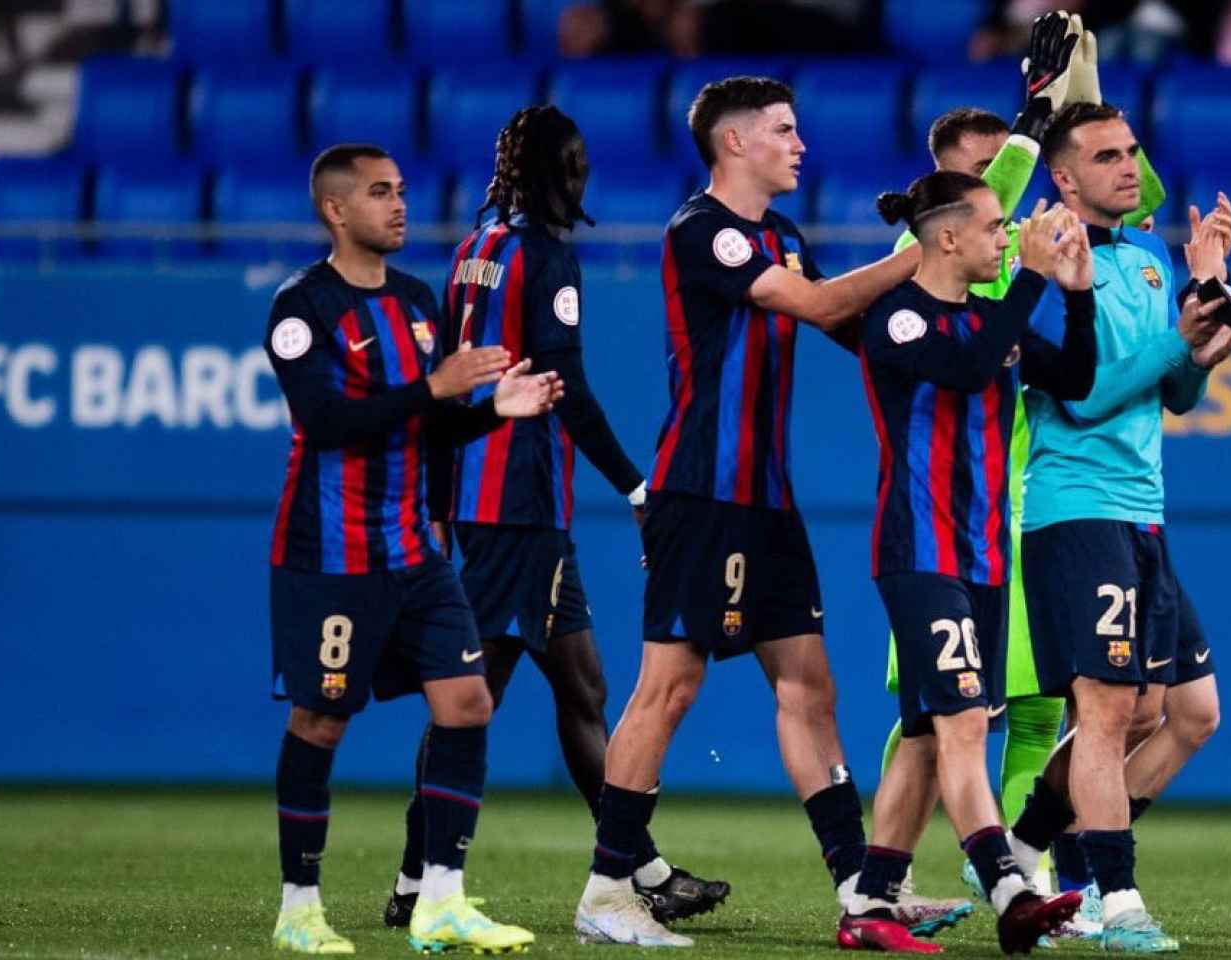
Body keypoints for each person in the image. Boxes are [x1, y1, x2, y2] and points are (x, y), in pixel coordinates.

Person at [571, 75, 922, 948]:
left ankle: (860, 889)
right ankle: (607, 889)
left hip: (768, 501)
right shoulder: (703, 232)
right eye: (784, 130)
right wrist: (927, 246)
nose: (801, 144)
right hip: (700, 494)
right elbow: (818, 303)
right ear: (735, 143)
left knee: (809, 689)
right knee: (670, 687)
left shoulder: (784, 234)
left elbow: (850, 325)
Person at [383, 105, 729, 933]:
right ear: (550, 172)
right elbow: (563, 390)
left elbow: (447, 387)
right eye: (572, 164)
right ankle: (415, 882)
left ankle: (639, 865)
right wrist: (638, 488)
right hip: (520, 504)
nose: (582, 178)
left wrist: (438, 502)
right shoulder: (544, 255)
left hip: (488, 501)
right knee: (473, 697)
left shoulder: (474, 253)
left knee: (583, 685)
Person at [871, 13, 1170, 919]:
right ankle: (998, 877)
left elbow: (1070, 372)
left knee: (1015, 711)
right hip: (930, 537)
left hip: (1001, 529)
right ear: (948, 211)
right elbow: (971, 355)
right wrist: (1039, 120)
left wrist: (1076, 99)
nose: (1017, 204)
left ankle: (892, 887)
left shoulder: (1001, 298)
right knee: (943, 719)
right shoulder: (908, 286)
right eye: (997, 186)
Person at [265, 143, 562, 955]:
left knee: (468, 703)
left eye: (400, 190)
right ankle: (299, 907)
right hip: (330, 554)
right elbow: (325, 423)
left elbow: (426, 425)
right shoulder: (303, 309)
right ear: (336, 209)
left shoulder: (418, 301)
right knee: (322, 721)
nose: (399, 204)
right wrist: (436, 389)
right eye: (379, 192)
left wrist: (494, 408)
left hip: (413, 552)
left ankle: (441, 900)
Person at [994, 102, 1231, 954]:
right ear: (1063, 178)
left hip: (1143, 510)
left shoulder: (1141, 257)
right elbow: (1087, 394)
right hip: (1076, 510)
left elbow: (1173, 396)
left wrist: (1209, 324)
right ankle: (1113, 896)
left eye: (1132, 151)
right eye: (1106, 156)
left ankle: (1025, 844)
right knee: (1106, 712)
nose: (1129, 167)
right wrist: (1180, 336)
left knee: (1189, 715)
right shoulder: (1042, 262)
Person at [838, 174, 1097, 955]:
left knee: (924, 735)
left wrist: (1077, 296)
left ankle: (869, 905)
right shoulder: (899, 318)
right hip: (920, 553)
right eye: (994, 226)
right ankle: (1011, 888)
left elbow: (1076, 381)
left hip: (983, 560)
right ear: (946, 237)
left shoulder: (992, 319)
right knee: (960, 724)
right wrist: (1033, 277)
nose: (1006, 238)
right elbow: (967, 368)